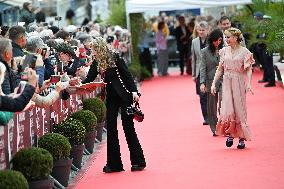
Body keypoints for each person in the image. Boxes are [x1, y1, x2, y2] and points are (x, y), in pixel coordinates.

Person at [83, 37, 146, 173]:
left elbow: (127, 75)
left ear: (99, 48)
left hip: (125, 94)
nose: (92, 52)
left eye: (93, 50)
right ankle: (114, 164)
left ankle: (138, 161)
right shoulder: (96, 62)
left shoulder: (115, 57)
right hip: (111, 97)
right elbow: (88, 79)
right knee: (111, 127)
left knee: (127, 127)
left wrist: (135, 91)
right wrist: (76, 85)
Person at [211, 27, 255, 149]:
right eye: (225, 37)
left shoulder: (245, 51)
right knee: (227, 108)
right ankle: (230, 134)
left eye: (228, 37)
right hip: (226, 81)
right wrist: (213, 83)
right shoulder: (224, 51)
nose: (226, 39)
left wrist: (249, 83)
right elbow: (220, 68)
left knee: (239, 109)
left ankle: (241, 138)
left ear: (236, 38)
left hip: (238, 81)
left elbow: (249, 69)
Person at [200, 29, 224, 136]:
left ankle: (225, 126)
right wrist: (202, 82)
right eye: (214, 41)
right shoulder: (205, 51)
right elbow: (202, 68)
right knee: (212, 106)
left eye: (218, 40)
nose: (216, 43)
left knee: (223, 103)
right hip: (210, 80)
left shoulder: (225, 49)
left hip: (224, 79)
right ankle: (214, 128)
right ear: (211, 41)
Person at [191, 21, 209, 125]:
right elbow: (193, 58)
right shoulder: (194, 42)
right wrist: (193, 74)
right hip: (199, 72)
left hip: (210, 71)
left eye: (203, 30)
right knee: (202, 96)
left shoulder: (211, 41)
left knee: (211, 95)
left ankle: (213, 116)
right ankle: (206, 117)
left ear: (207, 30)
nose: (201, 32)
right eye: (199, 30)